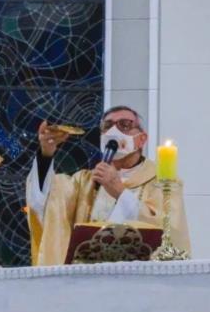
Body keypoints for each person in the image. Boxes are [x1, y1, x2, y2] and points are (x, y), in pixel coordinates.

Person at [26, 105, 190, 265]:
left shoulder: (161, 182)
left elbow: (170, 233)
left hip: (138, 278)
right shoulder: (85, 182)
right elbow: (45, 202)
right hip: (88, 276)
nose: (114, 132)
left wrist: (120, 191)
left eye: (124, 125)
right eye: (107, 126)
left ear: (141, 139)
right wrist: (46, 154)